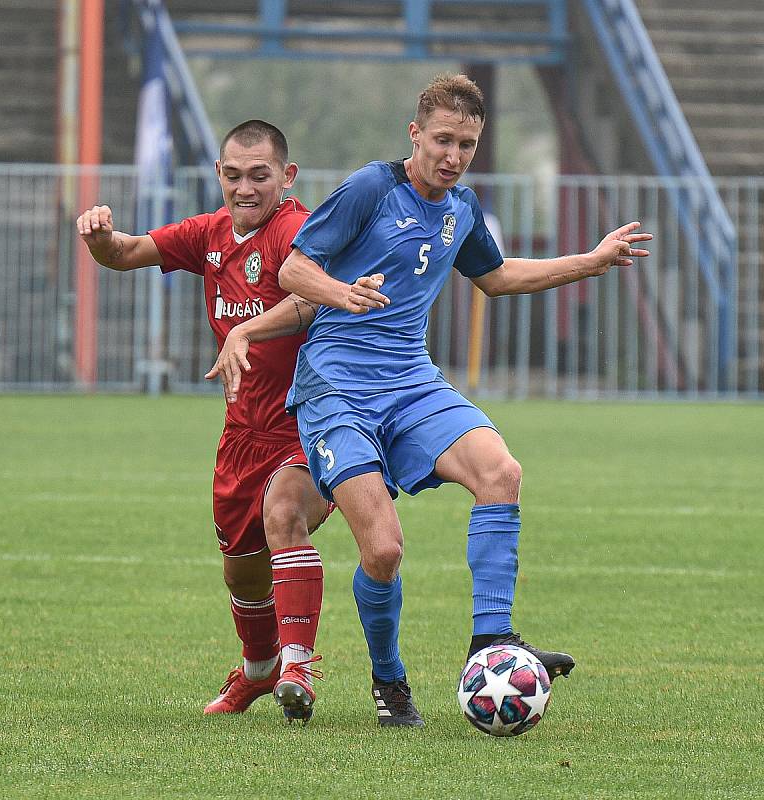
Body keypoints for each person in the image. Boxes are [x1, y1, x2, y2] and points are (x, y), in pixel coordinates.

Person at [222, 74, 653, 728]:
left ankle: (492, 642)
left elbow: (498, 276)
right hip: (337, 387)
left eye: (468, 145)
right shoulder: (372, 187)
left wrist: (589, 262)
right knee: (384, 551)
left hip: (412, 383)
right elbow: (294, 269)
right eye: (444, 140)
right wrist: (344, 294)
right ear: (415, 134)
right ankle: (389, 680)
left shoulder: (462, 207)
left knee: (501, 473)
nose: (453, 156)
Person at [76, 120, 332, 723]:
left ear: (286, 178)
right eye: (234, 175)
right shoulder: (208, 234)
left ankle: (298, 667)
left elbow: (316, 295)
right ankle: (260, 669)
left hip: (308, 423)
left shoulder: (299, 231)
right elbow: (125, 254)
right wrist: (98, 237)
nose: (245, 188)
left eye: (260, 176)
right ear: (220, 175)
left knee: (285, 516)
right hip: (241, 435)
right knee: (241, 569)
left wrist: (250, 329)